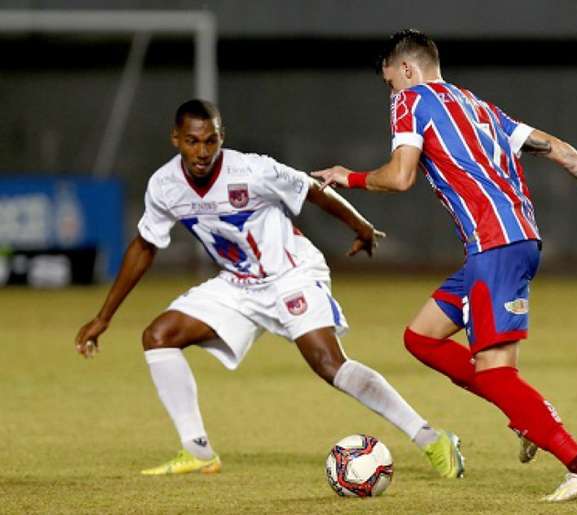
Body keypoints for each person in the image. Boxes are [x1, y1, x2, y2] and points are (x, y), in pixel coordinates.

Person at [313, 29, 577, 502]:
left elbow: (400, 176)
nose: (391, 91)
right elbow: (557, 147)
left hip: (499, 245)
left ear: (407, 70)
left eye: (390, 80)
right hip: (507, 244)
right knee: (422, 337)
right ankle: (526, 408)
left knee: (495, 373)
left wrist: (345, 178)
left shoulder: (410, 100)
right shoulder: (477, 106)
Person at [74, 99, 464, 478]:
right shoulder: (164, 185)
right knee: (158, 336)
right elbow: (144, 246)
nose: (202, 150)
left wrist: (360, 227)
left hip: (291, 273)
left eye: (211, 140)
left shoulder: (252, 170)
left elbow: (314, 189)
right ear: (175, 138)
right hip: (238, 286)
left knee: (329, 364)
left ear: (221, 137)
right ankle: (197, 452)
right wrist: (103, 317)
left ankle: (432, 438)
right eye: (193, 141)